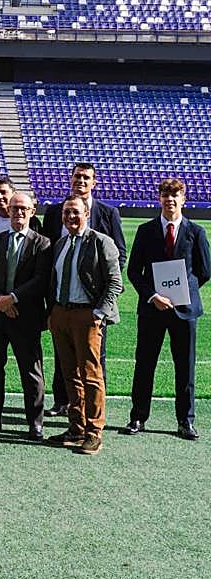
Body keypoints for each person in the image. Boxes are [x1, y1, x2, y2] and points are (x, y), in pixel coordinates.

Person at [124, 178, 211, 441]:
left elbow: (205, 270)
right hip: (152, 309)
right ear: (159, 198)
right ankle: (138, 417)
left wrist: (183, 292)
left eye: (175, 195)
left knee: (185, 366)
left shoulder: (195, 231)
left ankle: (186, 421)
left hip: (184, 311)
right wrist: (153, 296)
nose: (170, 200)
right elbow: (133, 271)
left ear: (183, 199)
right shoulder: (145, 230)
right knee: (145, 364)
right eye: (165, 195)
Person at [42, 162, 127, 417]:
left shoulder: (107, 214)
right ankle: (64, 405)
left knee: (93, 363)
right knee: (64, 359)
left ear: (94, 182)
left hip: (92, 306)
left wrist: (103, 299)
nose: (80, 180)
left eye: (86, 177)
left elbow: (119, 255)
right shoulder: (55, 212)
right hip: (62, 303)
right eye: (77, 176)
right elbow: (48, 255)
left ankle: (93, 415)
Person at [46, 195, 123, 455]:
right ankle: (76, 428)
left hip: (87, 316)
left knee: (91, 375)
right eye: (67, 212)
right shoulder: (60, 243)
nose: (70, 217)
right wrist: (53, 313)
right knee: (70, 374)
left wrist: (99, 313)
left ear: (86, 213)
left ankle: (94, 432)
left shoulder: (102, 242)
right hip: (61, 314)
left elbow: (115, 282)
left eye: (75, 212)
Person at [0, 192, 52, 441]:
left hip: (25, 316)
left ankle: (35, 423)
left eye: (24, 208)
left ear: (32, 211)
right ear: (8, 210)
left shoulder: (42, 243)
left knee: (31, 371)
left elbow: (40, 279)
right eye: (14, 208)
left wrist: (13, 299)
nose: (18, 212)